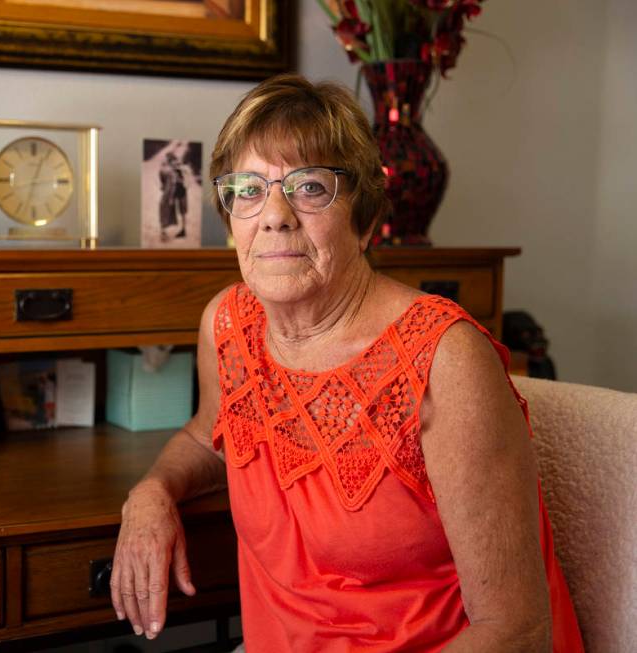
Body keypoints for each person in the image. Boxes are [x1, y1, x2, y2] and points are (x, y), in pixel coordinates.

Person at [110, 74, 584, 652]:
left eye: (309, 187)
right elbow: (210, 436)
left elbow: (517, 631)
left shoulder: (446, 360)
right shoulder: (228, 324)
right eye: (249, 189)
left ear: (363, 217)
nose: (275, 215)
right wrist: (152, 492)